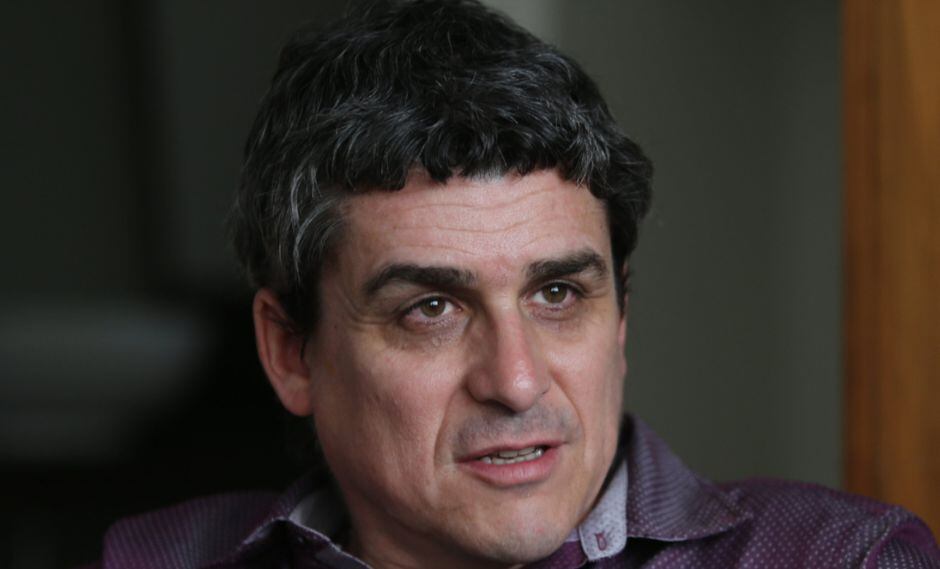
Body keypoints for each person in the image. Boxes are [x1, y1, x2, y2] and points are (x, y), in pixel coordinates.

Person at [91, 1, 940, 567]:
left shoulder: (842, 559)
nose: (518, 379)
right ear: (290, 350)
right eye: (431, 308)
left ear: (620, 318)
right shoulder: (153, 559)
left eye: (558, 294)